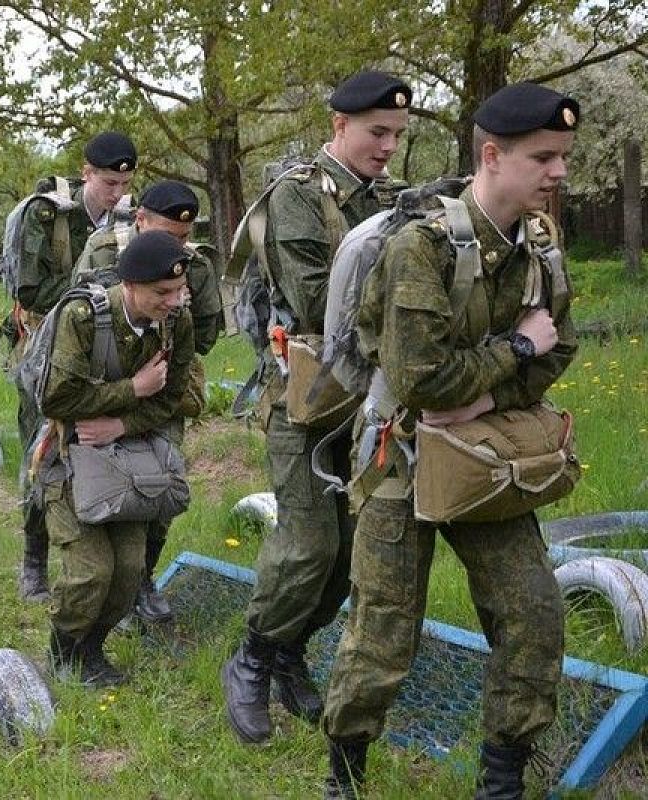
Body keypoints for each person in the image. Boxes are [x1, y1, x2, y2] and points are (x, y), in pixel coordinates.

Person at [320, 83, 579, 799]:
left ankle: (502, 780)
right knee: (383, 632)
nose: (559, 172)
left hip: (483, 461)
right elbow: (421, 379)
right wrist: (516, 353)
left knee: (533, 615)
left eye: (564, 157)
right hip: (398, 458)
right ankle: (345, 772)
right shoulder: (420, 247)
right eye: (544, 157)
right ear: (492, 156)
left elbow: (561, 348)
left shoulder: (539, 245)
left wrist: (490, 394)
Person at [221, 70, 412, 745]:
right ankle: (249, 658)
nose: (388, 147)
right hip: (305, 400)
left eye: (396, 135)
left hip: (367, 406)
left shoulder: (392, 200)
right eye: (376, 132)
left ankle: (287, 658)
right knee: (308, 545)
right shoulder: (301, 196)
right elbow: (314, 302)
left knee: (345, 560)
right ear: (339, 126)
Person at [36, 230, 194, 687]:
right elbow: (54, 397)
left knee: (128, 570)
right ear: (130, 286)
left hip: (129, 460)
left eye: (179, 291)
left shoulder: (175, 322)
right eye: (162, 293)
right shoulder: (84, 317)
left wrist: (121, 424)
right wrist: (133, 389)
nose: (173, 301)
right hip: (70, 458)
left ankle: (92, 649)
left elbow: (174, 399)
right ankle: (62, 651)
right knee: (90, 570)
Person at [71, 179, 224, 623]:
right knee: (106, 481)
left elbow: (209, 333)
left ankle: (141, 578)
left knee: (162, 482)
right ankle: (103, 579)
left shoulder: (194, 265)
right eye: (165, 234)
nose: (178, 245)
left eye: (182, 237)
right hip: (107, 383)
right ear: (140, 220)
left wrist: (179, 320)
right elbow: (77, 315)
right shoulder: (102, 252)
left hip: (165, 386)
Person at [16, 130, 138, 602]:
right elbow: (30, 289)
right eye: (109, 183)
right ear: (86, 173)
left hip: (109, 349)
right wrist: (89, 297)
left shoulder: (130, 217)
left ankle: (117, 564)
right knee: (41, 453)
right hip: (47, 348)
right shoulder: (48, 215)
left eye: (124, 184)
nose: (117, 194)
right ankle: (34, 558)